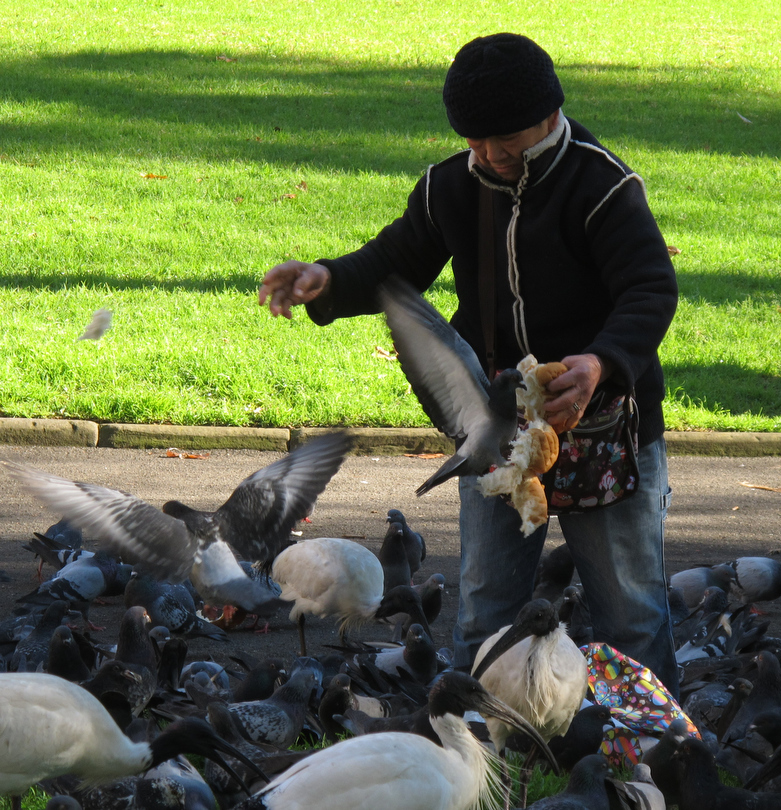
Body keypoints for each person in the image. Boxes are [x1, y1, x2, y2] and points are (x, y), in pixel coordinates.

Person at [259, 33, 680, 694]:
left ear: (549, 114)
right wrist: (328, 278)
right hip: (497, 433)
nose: (488, 155)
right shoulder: (451, 186)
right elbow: (394, 262)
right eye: (474, 141)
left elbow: (650, 289)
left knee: (630, 617)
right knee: (486, 611)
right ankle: (483, 740)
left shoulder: (603, 185)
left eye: (503, 139)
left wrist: (601, 363)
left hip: (601, 427)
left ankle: (649, 744)